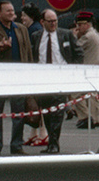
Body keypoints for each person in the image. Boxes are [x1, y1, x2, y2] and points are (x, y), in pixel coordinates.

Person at [0, 1, 34, 155]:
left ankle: (17, 145)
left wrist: (30, 73)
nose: (11, 13)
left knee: (19, 114)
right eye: (7, 11)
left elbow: (28, 52)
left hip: (19, 77)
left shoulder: (21, 29)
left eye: (12, 10)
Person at [34, 9, 79, 154]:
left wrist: (73, 72)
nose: (53, 24)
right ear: (42, 22)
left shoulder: (65, 34)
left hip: (60, 79)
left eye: (55, 21)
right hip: (43, 80)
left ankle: (54, 143)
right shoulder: (36, 36)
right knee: (46, 111)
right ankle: (50, 141)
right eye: (50, 21)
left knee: (57, 112)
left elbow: (79, 53)